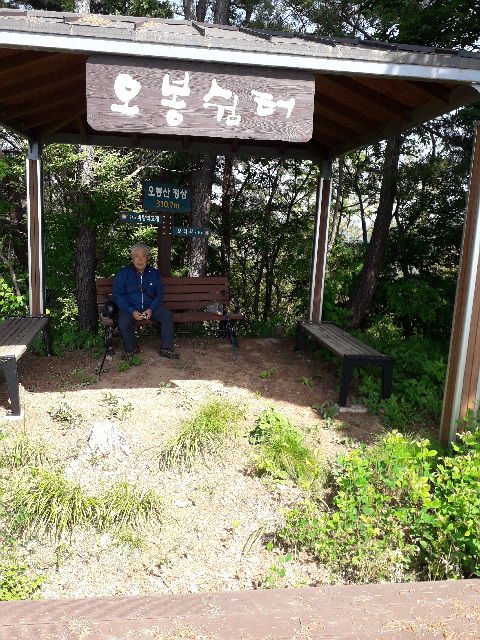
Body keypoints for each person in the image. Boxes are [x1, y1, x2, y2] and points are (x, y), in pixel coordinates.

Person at [113, 242, 179, 359]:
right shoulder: (124, 273)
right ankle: (132, 349)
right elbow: (117, 295)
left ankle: (166, 349)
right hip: (131, 308)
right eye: (137, 256)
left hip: (151, 307)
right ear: (132, 258)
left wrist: (150, 309)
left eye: (143, 256)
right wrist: (132, 310)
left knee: (167, 315)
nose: (140, 259)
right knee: (123, 320)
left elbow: (159, 294)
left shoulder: (154, 273)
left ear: (148, 257)